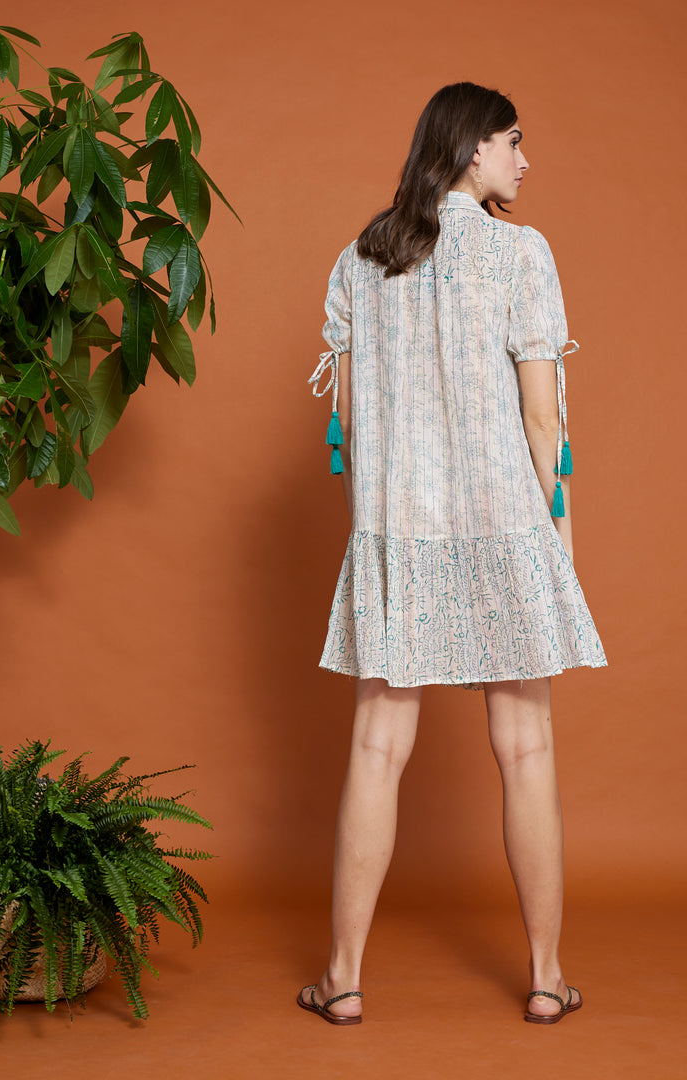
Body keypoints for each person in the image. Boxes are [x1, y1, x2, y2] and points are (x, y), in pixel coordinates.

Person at [299, 82, 607, 1027]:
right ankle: (547, 978)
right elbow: (543, 418)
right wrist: (559, 535)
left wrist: (376, 527)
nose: (523, 159)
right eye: (513, 141)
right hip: (504, 523)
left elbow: (349, 426)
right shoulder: (520, 253)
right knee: (527, 745)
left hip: (401, 529)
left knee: (375, 746)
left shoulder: (362, 257)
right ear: (473, 149)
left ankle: (343, 979)